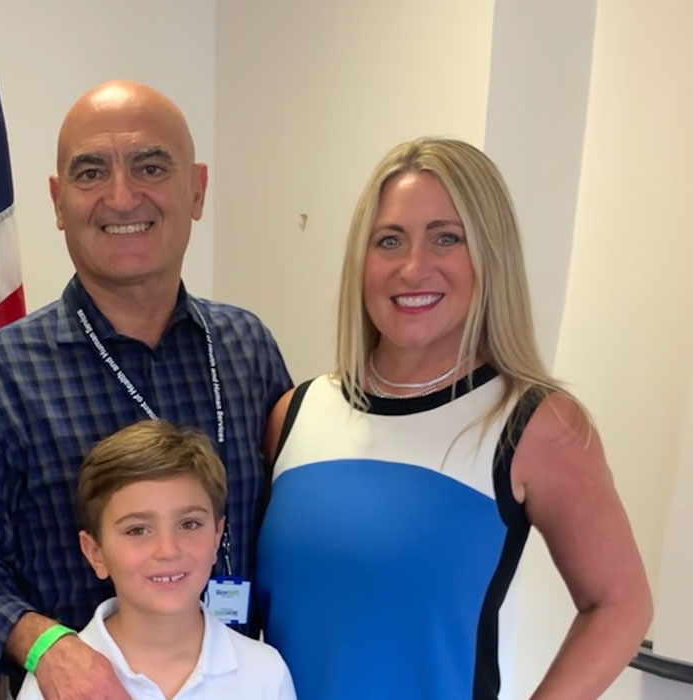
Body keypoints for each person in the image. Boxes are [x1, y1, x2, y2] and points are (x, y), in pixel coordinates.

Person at [0, 80, 291, 698]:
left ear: (197, 189)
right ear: (58, 201)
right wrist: (50, 648)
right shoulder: (1, 374)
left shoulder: (248, 347)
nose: (122, 197)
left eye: (150, 166)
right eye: (91, 172)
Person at [257, 138, 652, 699]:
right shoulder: (294, 414)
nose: (413, 268)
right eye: (389, 241)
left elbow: (620, 604)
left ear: (490, 256)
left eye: (447, 238)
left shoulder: (534, 424)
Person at [17, 420, 296, 700]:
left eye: (189, 524)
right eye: (137, 530)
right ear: (95, 553)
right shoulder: (55, 685)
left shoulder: (265, 672)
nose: (167, 550)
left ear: (217, 536)